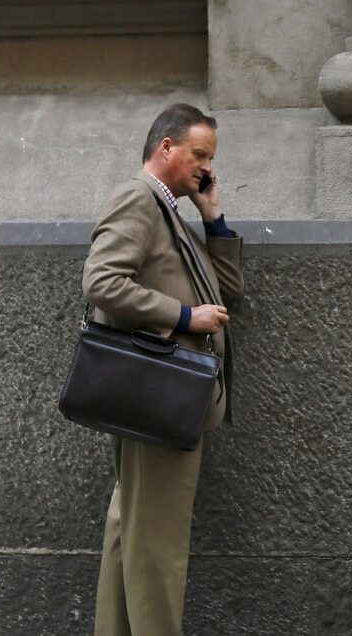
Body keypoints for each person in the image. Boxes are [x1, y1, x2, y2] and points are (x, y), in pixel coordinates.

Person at [83, 103, 243, 636]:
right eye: (198, 155)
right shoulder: (139, 199)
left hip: (164, 396)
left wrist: (212, 217)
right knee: (158, 546)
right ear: (166, 147)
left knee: (130, 530)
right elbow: (102, 283)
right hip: (159, 394)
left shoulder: (171, 210)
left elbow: (229, 293)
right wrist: (183, 315)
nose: (205, 167)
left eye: (210, 159)